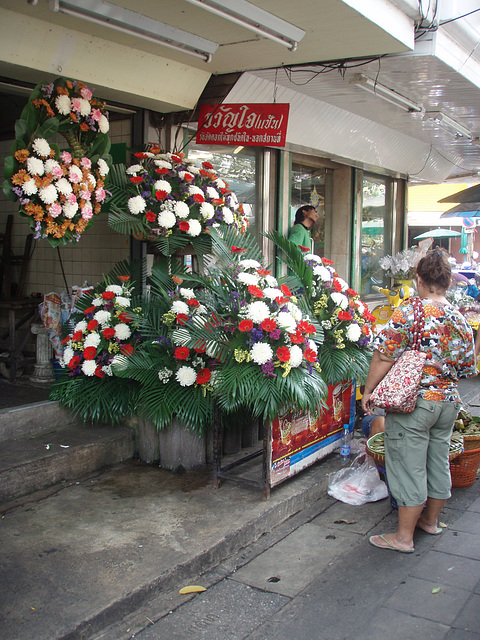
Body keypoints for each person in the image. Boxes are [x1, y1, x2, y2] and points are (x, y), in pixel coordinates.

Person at [361, 249, 476, 553]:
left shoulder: (410, 311)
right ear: (448, 282)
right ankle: (430, 522)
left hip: (415, 403)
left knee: (409, 466)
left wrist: (369, 390)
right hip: (449, 402)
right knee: (438, 462)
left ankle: (403, 537)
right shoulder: (460, 319)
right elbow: (467, 366)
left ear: (420, 279)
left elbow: (385, 354)